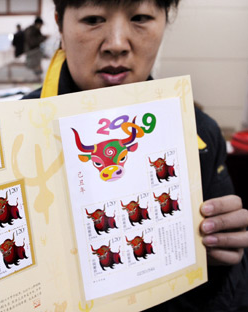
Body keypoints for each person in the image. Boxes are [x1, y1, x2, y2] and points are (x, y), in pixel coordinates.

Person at [24, 0, 248, 310]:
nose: (116, 44)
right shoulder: (16, 133)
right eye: (92, 19)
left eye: (140, 17)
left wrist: (219, 256)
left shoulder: (200, 134)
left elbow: (230, 286)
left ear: (164, 22)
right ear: (60, 24)